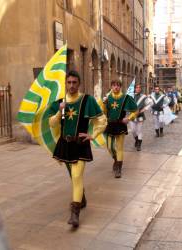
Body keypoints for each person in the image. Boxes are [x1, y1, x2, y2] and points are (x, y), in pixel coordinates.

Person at [49, 70, 107, 228]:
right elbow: (52, 124)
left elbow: (101, 119)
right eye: (69, 82)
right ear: (65, 83)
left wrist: (93, 135)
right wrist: (60, 110)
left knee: (76, 176)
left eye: (74, 82)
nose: (71, 85)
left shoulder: (87, 100)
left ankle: (75, 213)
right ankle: (81, 197)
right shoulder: (61, 102)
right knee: (72, 175)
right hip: (65, 144)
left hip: (80, 144)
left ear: (79, 83)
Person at [103, 80, 138, 178]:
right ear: (111, 86)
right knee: (110, 147)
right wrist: (104, 104)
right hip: (110, 124)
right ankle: (115, 159)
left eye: (118, 85)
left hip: (120, 125)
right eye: (114, 85)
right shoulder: (107, 98)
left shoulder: (126, 98)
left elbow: (135, 110)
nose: (116, 87)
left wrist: (129, 118)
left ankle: (118, 168)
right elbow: (104, 112)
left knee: (119, 148)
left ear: (120, 87)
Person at [129, 83, 152, 151]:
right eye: (137, 87)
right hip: (132, 116)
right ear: (134, 89)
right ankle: (136, 139)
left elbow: (150, 103)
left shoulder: (144, 96)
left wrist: (144, 109)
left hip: (140, 116)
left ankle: (139, 144)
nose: (138, 88)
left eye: (139, 87)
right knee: (133, 130)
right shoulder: (130, 96)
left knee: (139, 130)